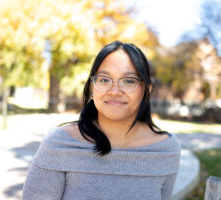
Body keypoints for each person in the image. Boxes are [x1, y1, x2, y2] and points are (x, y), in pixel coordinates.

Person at [22, 41, 181, 200]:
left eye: (129, 81)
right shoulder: (59, 144)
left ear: (147, 89)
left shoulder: (165, 150)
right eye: (104, 79)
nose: (114, 91)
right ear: (92, 86)